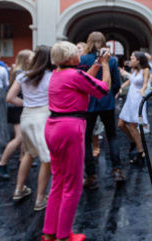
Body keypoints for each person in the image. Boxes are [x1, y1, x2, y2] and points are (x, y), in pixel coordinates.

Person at [42, 41, 111, 241]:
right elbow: (102, 89)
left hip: (52, 126)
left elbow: (82, 81)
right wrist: (105, 64)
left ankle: (49, 232)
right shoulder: (74, 74)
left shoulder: (57, 74)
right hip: (71, 127)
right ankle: (64, 235)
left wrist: (96, 64)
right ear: (71, 58)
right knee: (73, 185)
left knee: (58, 181)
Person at [6, 46, 53, 211]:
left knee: (28, 153)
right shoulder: (52, 76)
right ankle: (40, 198)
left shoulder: (23, 76)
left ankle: (19, 189)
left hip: (26, 116)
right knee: (46, 159)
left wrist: (26, 103)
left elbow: (10, 98)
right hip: (44, 116)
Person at [78, 32, 124, 188]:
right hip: (106, 102)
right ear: (104, 42)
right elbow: (117, 83)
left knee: (86, 139)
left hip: (88, 103)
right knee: (111, 136)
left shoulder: (82, 60)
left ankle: (91, 176)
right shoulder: (110, 60)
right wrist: (112, 93)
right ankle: (117, 170)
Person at [0, 49, 34, 179]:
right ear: (25, 60)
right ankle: (2, 163)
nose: (34, 59)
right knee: (19, 137)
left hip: (17, 107)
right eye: (31, 57)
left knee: (24, 135)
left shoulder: (18, 72)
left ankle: (22, 158)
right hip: (17, 107)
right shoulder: (20, 73)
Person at [117, 51, 151, 165]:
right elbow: (130, 80)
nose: (131, 60)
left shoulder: (145, 70)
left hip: (137, 98)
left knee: (132, 125)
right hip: (130, 99)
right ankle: (133, 140)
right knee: (121, 124)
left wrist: (143, 89)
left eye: (132, 58)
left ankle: (141, 151)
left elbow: (145, 83)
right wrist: (121, 87)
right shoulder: (134, 70)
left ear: (138, 60)